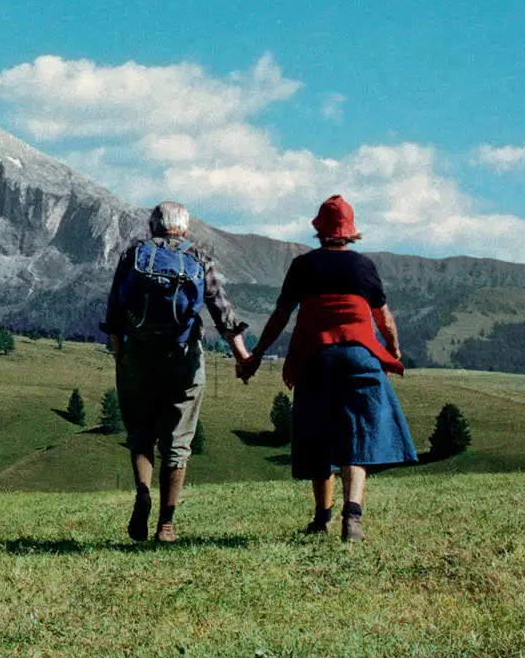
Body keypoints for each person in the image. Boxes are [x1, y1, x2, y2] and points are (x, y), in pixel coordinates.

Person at [236, 195, 417, 542]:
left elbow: (281, 316)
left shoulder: (303, 266)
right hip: (360, 355)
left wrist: (256, 354)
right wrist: (393, 351)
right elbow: (384, 318)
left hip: (317, 357)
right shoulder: (364, 266)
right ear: (350, 233)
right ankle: (353, 517)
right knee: (358, 435)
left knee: (318, 435)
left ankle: (322, 518)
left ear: (319, 230)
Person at [104, 202, 250, 543]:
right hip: (182, 356)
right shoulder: (198, 255)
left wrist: (119, 352)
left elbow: (114, 307)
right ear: (183, 228)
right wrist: (242, 356)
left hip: (138, 352)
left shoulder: (134, 254)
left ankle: (143, 492)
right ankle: (166, 524)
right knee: (178, 439)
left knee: (140, 431)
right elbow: (221, 309)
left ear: (153, 226)